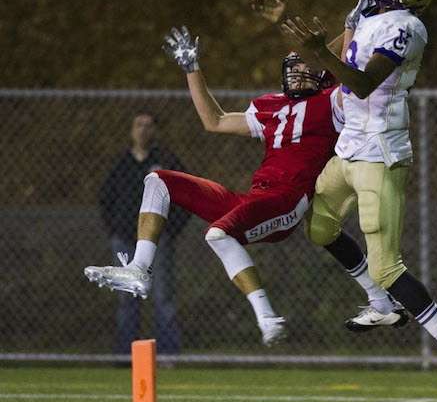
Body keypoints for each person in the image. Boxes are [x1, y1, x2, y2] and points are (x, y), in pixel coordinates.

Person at [253, 0, 437, 402]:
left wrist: (320, 50)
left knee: (387, 266)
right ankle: (381, 305)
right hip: (349, 149)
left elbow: (360, 83)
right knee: (320, 227)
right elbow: (329, 65)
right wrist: (287, 22)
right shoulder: (364, 14)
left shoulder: (408, 27)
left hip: (380, 153)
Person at [85, 26, 406, 346]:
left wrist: (351, 27)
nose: (297, 73)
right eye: (292, 68)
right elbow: (215, 121)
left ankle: (267, 316)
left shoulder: (331, 102)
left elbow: (349, 72)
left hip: (288, 199)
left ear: (322, 74)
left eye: (305, 68)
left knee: (217, 233)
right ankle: (140, 269)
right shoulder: (270, 106)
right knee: (158, 181)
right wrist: (191, 68)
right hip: (254, 197)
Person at [98, 112, 189, 355]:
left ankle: (168, 355)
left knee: (163, 297)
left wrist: (170, 230)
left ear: (155, 131)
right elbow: (105, 200)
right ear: (131, 130)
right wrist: (115, 231)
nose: (143, 130)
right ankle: (126, 355)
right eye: (139, 125)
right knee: (127, 298)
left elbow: (186, 195)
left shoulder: (166, 161)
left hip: (158, 241)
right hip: (125, 241)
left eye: (149, 125)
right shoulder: (122, 164)